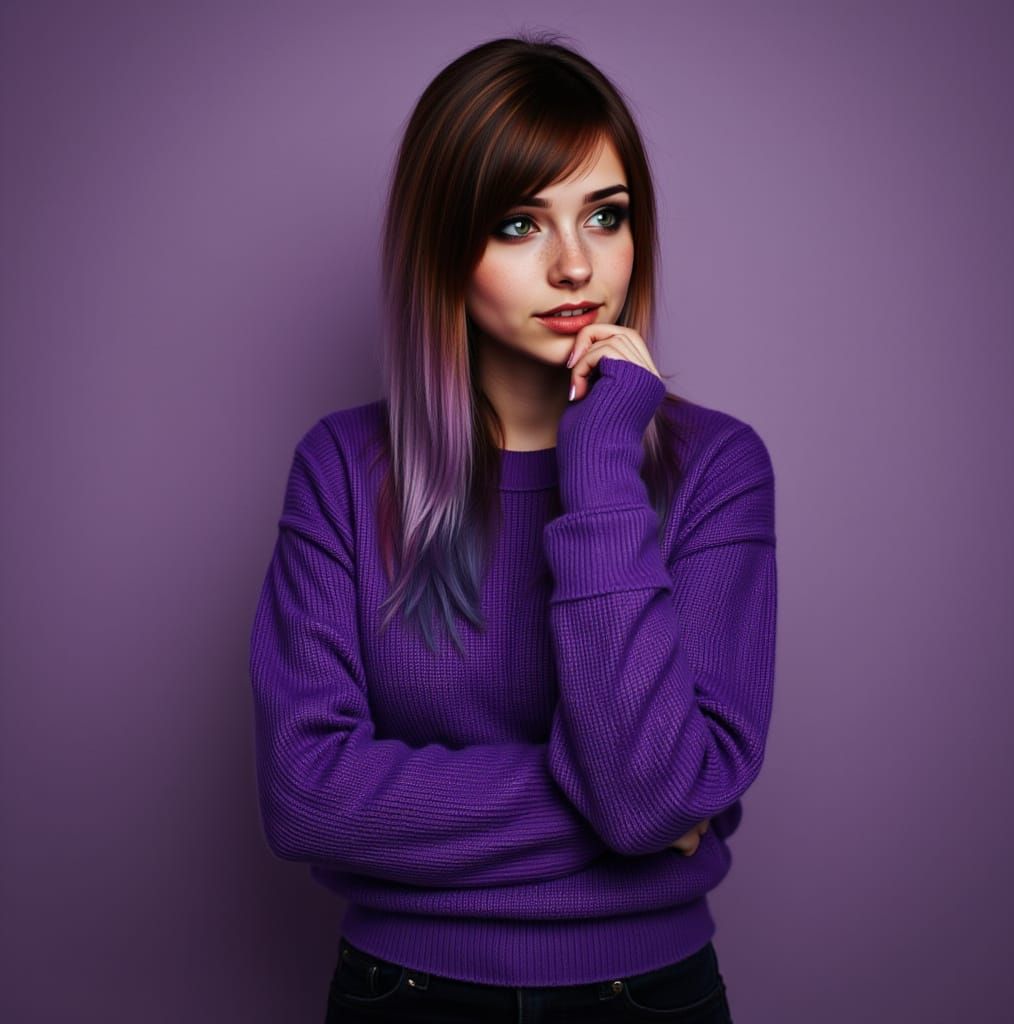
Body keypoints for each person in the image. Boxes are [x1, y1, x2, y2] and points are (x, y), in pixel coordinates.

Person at [248, 32, 776, 1023]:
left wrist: (601, 458)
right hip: (402, 995)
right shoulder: (342, 468)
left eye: (605, 216)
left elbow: (660, 796)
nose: (576, 264)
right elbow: (308, 795)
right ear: (444, 246)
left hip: (648, 998)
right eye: (519, 224)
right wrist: (634, 812)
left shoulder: (715, 468)